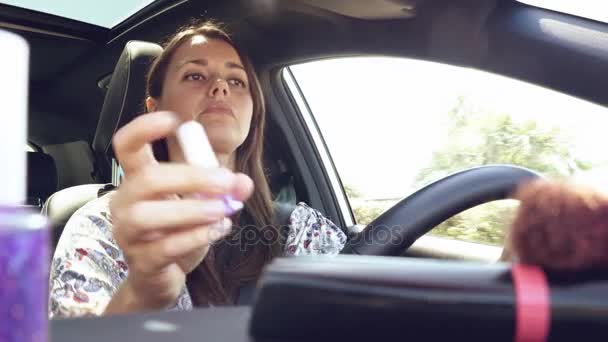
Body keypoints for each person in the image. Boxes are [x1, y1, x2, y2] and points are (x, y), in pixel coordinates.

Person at [49, 20, 347, 318]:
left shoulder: (302, 229)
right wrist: (141, 295)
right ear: (156, 108)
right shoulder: (104, 224)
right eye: (195, 75)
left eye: (237, 81)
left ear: (254, 110)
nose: (220, 86)